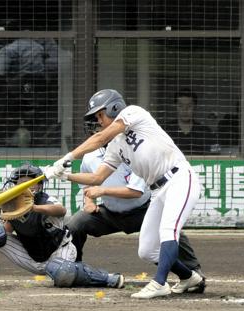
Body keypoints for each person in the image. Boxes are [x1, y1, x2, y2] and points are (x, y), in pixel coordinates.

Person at [46, 89, 204, 299]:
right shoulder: (116, 146)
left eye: (100, 115)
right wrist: (64, 175)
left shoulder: (134, 113)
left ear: (114, 107)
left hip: (179, 178)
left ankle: (159, 282)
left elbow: (101, 138)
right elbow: (96, 179)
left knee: (169, 230)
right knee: (147, 250)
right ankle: (189, 277)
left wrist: (68, 156)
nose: (99, 121)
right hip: (158, 190)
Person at [66, 124, 205, 293]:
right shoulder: (89, 158)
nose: (99, 134)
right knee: (75, 223)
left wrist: (102, 190)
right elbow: (88, 185)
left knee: (170, 231)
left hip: (142, 210)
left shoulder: (130, 151)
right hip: (110, 213)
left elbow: (135, 192)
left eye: (102, 130)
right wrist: (89, 202)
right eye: (95, 132)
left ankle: (192, 273)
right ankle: (75, 271)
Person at [0, 163, 124, 289]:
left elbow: (60, 210)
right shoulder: (11, 203)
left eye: (31, 181)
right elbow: (7, 229)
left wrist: (34, 207)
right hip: (30, 255)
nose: (25, 185)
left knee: (63, 274)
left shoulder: (45, 200)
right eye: (20, 181)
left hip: (58, 253)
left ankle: (106, 278)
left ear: (39, 185)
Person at [161, 89, 215, 155]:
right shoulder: (165, 130)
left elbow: (213, 156)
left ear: (195, 107)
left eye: (189, 106)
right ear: (176, 107)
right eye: (181, 106)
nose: (185, 110)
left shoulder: (205, 132)